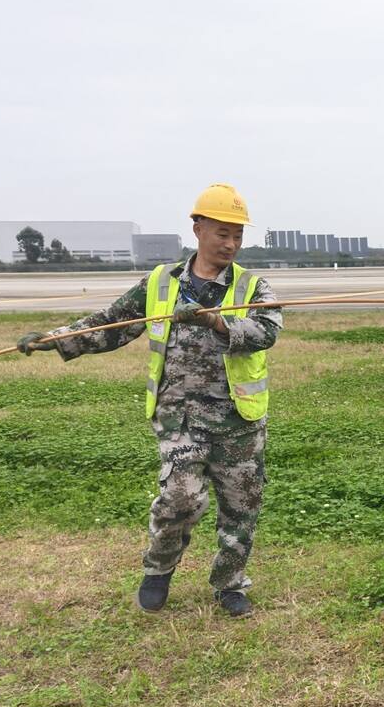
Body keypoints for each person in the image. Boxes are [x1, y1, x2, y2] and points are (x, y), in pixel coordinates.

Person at [16, 184, 281, 618]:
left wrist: (216, 321)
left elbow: (266, 332)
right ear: (197, 228)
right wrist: (57, 339)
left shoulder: (254, 286)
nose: (230, 243)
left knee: (241, 508)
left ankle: (230, 585)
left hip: (238, 419)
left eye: (237, 235)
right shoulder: (161, 283)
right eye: (221, 233)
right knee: (179, 498)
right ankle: (158, 569)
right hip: (180, 417)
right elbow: (113, 323)